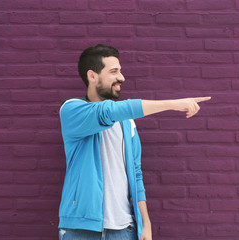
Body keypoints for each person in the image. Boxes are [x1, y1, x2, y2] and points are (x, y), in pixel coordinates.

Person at [58, 44, 211, 240]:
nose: (121, 77)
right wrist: (173, 104)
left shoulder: (127, 123)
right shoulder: (72, 110)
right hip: (81, 230)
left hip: (124, 230)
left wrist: (145, 223)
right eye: (114, 71)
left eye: (120, 71)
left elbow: (136, 175)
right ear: (92, 76)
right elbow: (107, 112)